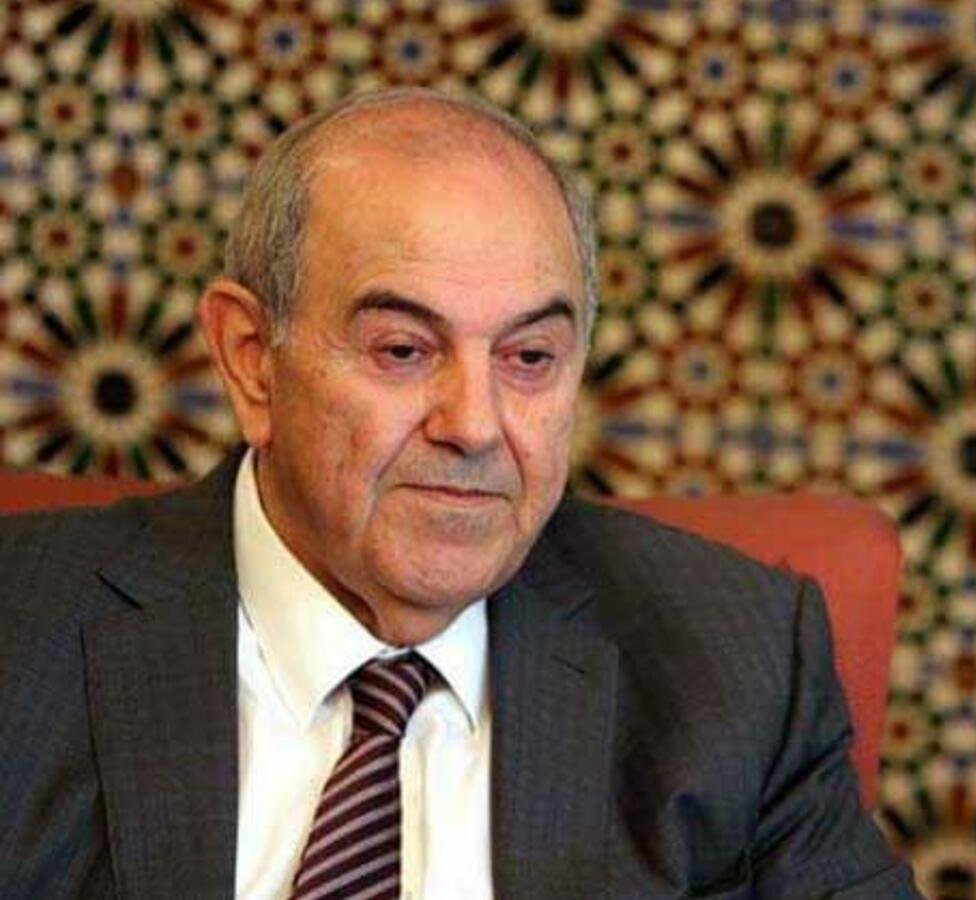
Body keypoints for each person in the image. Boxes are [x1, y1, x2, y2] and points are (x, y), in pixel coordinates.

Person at [0, 88, 919, 899]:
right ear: (251, 360)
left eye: (529, 358)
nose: (475, 425)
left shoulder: (735, 667)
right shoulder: (20, 632)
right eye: (404, 350)